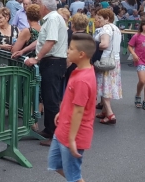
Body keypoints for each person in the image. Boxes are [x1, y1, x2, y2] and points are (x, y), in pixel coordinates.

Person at [47, 33, 96, 182]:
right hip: (63, 128)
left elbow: (79, 110)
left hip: (73, 134)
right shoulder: (78, 71)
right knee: (55, 165)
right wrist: (61, 112)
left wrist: (72, 139)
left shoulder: (83, 79)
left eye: (71, 48)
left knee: (73, 176)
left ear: (81, 54)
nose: (67, 51)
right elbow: (71, 99)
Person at [23, 0, 69, 147]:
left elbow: (51, 41)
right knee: (48, 97)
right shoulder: (51, 19)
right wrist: (25, 50)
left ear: (44, 6)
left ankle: (56, 134)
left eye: (39, 3)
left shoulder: (53, 19)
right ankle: (49, 129)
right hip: (52, 61)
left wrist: (36, 58)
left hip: (54, 61)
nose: (37, 6)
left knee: (51, 99)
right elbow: (43, 40)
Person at [93, 8, 122, 124]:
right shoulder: (116, 28)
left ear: (107, 19)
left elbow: (104, 44)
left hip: (104, 60)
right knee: (109, 86)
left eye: (100, 18)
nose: (98, 20)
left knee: (104, 87)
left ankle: (110, 114)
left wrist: (92, 46)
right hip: (115, 60)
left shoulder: (105, 29)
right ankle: (105, 111)